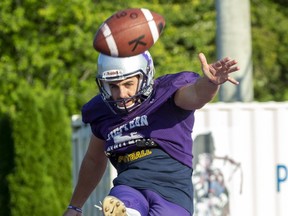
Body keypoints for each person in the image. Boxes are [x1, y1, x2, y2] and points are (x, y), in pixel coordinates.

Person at [63, 50, 240, 216]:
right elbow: (93, 160)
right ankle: (130, 212)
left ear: (145, 76)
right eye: (113, 86)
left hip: (172, 193)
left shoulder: (167, 94)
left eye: (128, 84)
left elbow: (196, 94)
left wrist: (210, 82)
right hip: (129, 186)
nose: (121, 93)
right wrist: (74, 206)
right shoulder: (103, 112)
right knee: (121, 199)